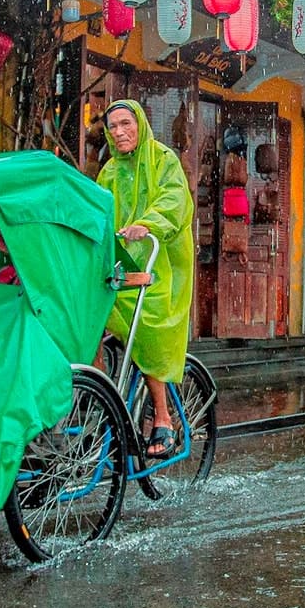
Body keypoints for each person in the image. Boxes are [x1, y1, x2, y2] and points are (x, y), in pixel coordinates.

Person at [96, 101, 194, 459]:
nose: (120, 132)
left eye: (126, 124)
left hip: (160, 262)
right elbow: (98, 212)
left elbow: (175, 200)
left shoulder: (163, 159)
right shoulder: (107, 172)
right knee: (89, 318)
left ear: (140, 124)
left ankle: (164, 417)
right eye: (113, 127)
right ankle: (104, 399)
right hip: (121, 264)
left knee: (147, 330)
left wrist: (147, 224)